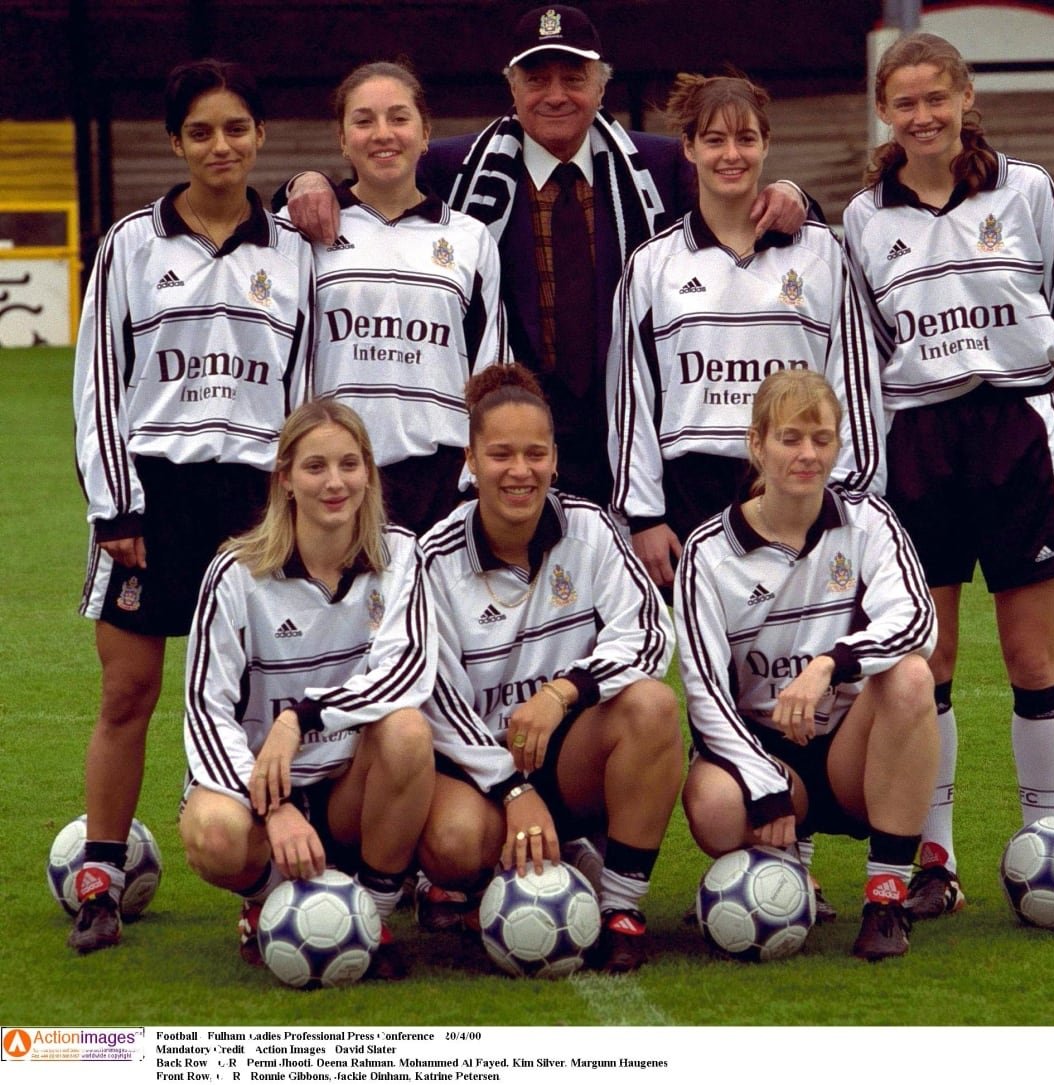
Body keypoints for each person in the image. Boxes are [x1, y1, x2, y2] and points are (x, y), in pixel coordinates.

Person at [282, 4, 811, 509]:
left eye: (574, 78)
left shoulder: (659, 165)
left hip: (627, 432)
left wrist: (793, 192)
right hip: (515, 438)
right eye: (536, 79)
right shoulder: (454, 166)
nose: (555, 95)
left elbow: (738, 189)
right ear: (511, 86)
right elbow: (375, 181)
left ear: (602, 85)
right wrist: (305, 181)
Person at [842, 32, 1054, 920]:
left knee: (1032, 653)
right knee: (932, 656)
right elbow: (869, 339)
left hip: (1017, 428)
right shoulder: (866, 216)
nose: (922, 116)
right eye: (904, 102)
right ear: (886, 111)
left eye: (935, 98)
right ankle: (934, 857)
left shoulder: (1028, 190)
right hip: (918, 437)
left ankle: (1047, 838)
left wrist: (1033, 396)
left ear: (965, 98)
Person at [69, 59, 315, 953]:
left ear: (260, 138)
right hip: (151, 497)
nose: (222, 145)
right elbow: (97, 386)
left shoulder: (294, 253)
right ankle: (100, 871)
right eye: (202, 131)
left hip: (254, 504)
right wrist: (115, 509)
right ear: (175, 143)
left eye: (237, 128)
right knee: (129, 690)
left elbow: (308, 389)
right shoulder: (130, 244)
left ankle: (259, 886)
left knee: (254, 697)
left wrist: (297, 507)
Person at [416, 364, 680, 973]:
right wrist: (513, 790)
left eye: (536, 454)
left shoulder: (590, 529)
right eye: (501, 454)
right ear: (471, 460)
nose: (520, 471)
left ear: (555, 460)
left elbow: (647, 633)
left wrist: (565, 691)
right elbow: (434, 700)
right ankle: (490, 876)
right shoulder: (433, 558)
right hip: (481, 776)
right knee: (454, 842)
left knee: (652, 706)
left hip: (570, 757)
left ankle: (620, 908)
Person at [675, 369, 939, 960]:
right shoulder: (707, 552)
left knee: (913, 675)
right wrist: (766, 784)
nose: (807, 454)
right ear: (757, 445)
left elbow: (919, 621)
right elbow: (704, 691)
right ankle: (790, 875)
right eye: (790, 438)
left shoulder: (868, 521)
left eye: (822, 439)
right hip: (763, 752)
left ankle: (886, 896)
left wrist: (830, 664)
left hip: (848, 751)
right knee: (715, 808)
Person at [180, 400, 437, 978]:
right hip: (261, 789)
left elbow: (407, 672)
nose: (334, 483)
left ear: (369, 473)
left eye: (349, 465)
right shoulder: (236, 574)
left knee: (407, 730)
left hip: (351, 786)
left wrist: (301, 718)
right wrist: (273, 808)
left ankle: (368, 915)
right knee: (213, 834)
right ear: (286, 480)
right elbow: (205, 707)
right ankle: (268, 903)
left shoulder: (400, 556)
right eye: (315, 467)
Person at [607, 71, 883, 594]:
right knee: (710, 665)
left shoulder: (821, 253)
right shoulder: (652, 263)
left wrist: (850, 499)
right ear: (688, 147)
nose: (730, 154)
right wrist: (642, 516)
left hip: (800, 484)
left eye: (745, 138)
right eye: (714, 139)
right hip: (694, 494)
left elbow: (854, 381)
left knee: (805, 659)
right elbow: (631, 400)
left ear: (766, 144)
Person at [288, 60, 509, 535]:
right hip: (338, 477)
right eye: (364, 121)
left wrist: (474, 474)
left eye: (399, 118)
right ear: (342, 139)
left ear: (425, 133)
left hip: (441, 481)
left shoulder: (470, 238)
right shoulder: (304, 232)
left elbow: (489, 368)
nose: (382, 133)